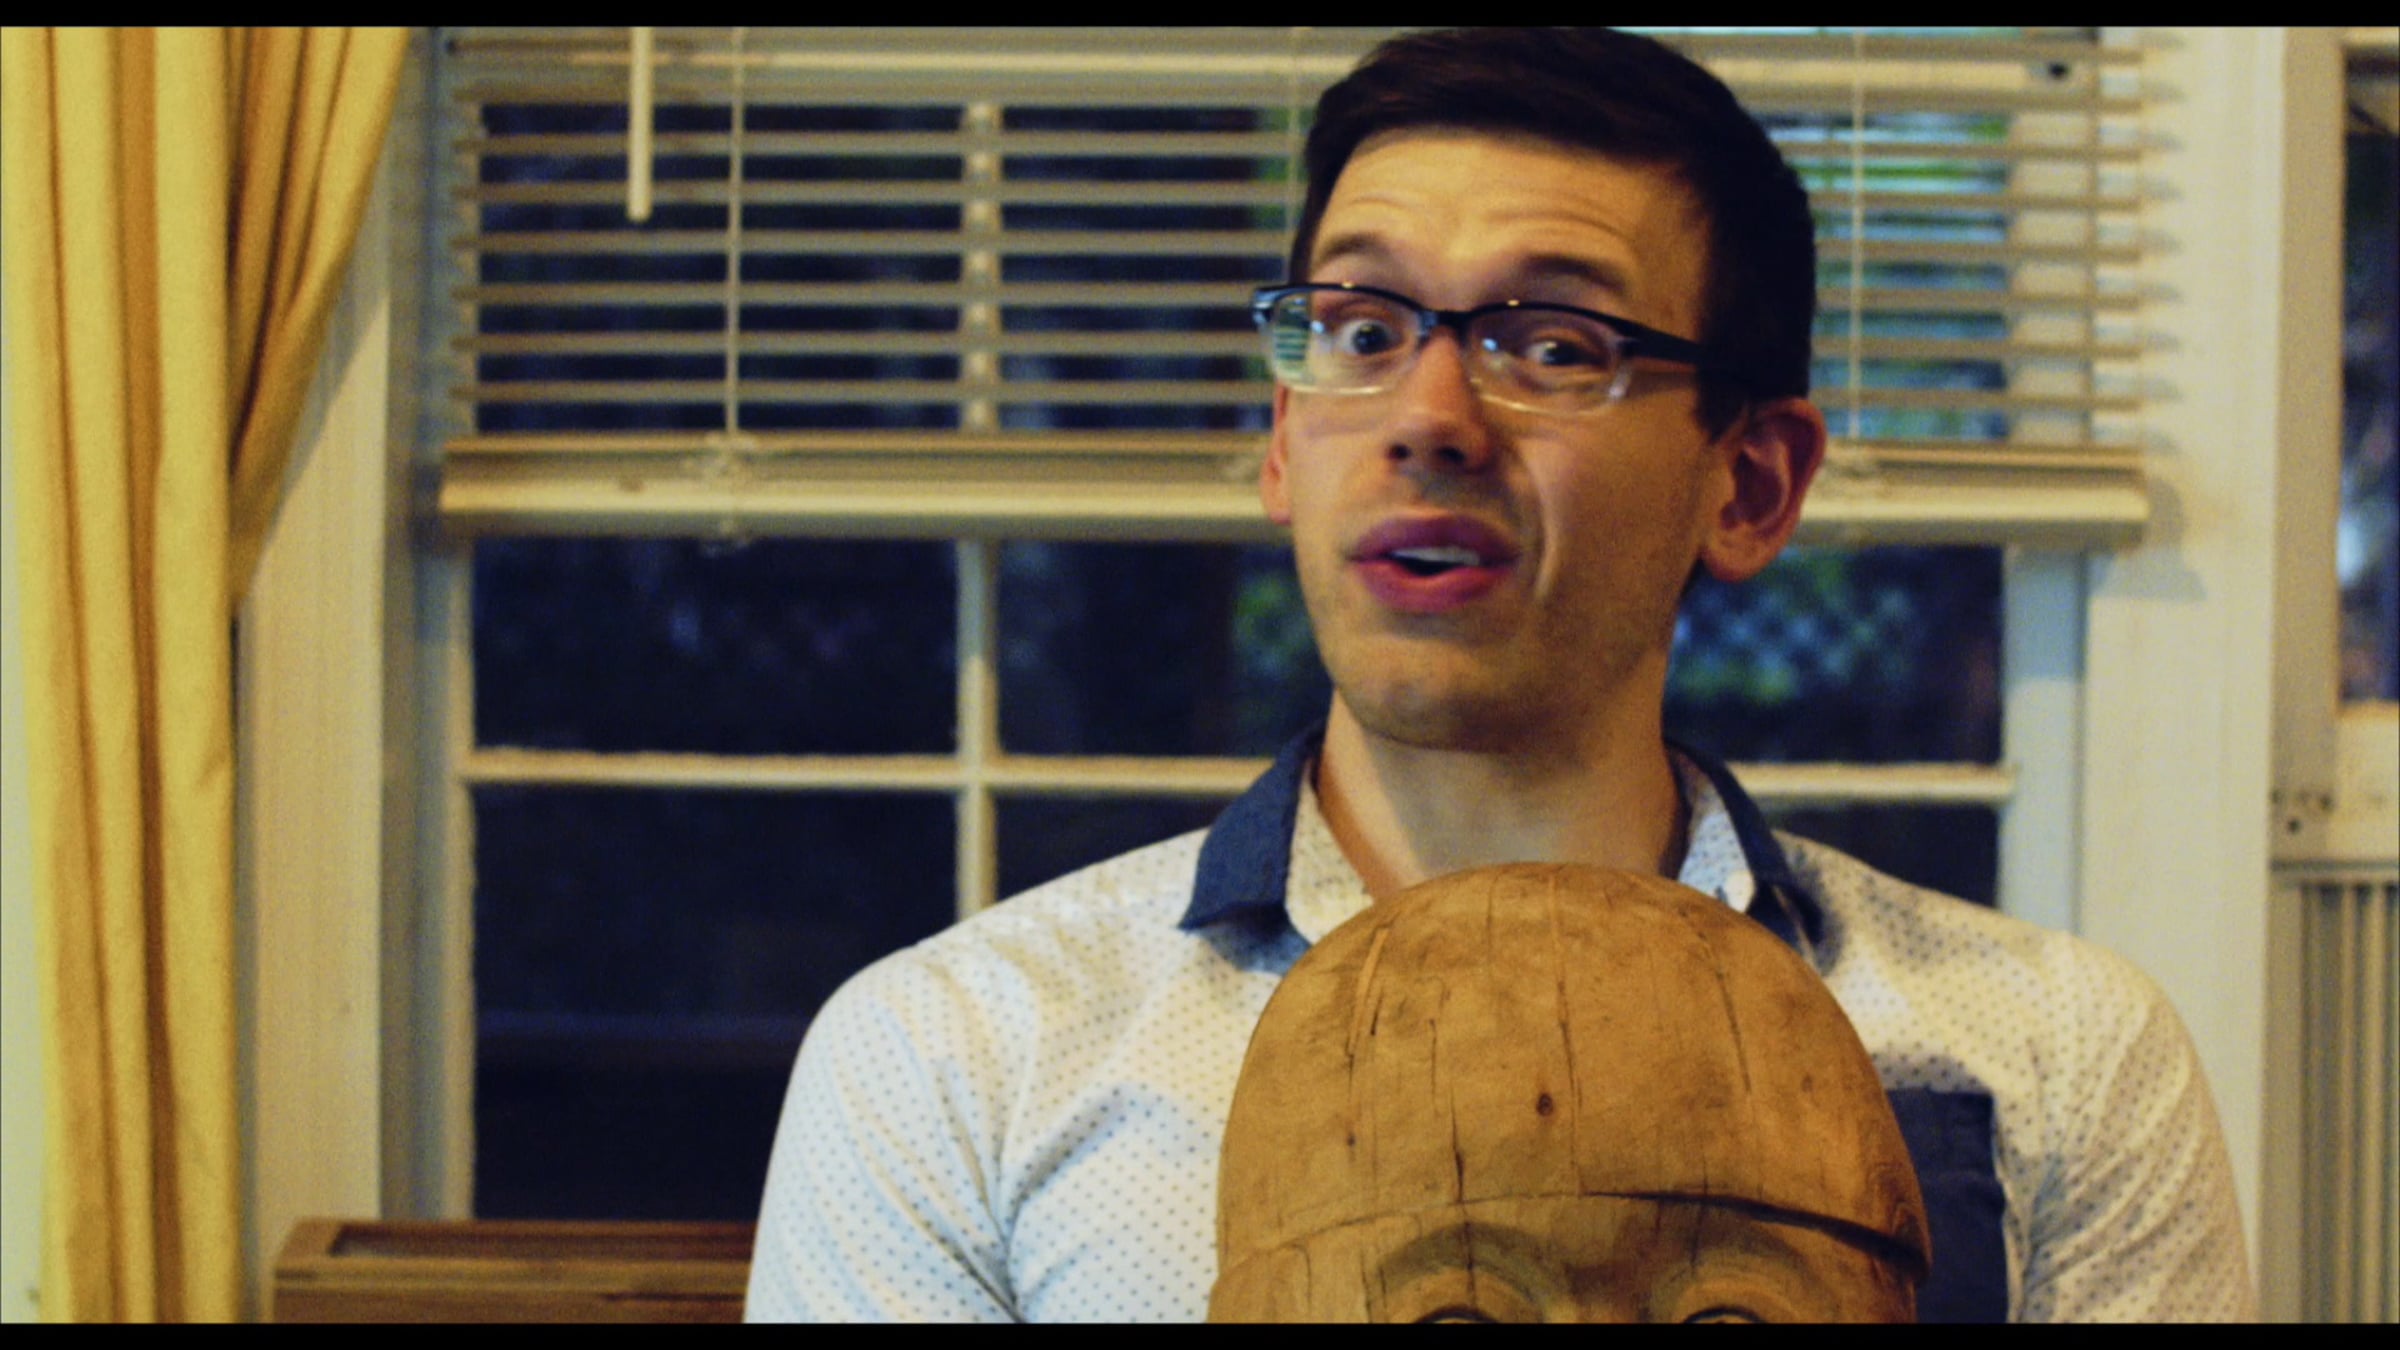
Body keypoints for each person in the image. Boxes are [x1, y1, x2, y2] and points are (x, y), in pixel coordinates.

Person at [745, 27, 2254, 1322]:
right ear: (1282, 440)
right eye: (1362, 328)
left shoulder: (2063, 1059)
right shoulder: (955, 1060)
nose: (1429, 416)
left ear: (1750, 483)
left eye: (1553, 343)